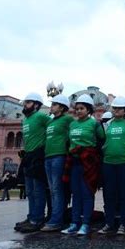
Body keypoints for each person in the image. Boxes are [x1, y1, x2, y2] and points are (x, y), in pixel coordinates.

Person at [61, 94, 105, 235]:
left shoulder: (94, 124)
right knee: (76, 194)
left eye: (82, 108)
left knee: (87, 193)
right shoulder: (72, 124)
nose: (78, 111)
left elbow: (102, 139)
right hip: (74, 162)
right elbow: (69, 141)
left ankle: (86, 223)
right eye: (77, 108)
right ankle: (74, 223)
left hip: (88, 163)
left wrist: (91, 153)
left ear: (89, 110)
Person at [14, 92, 51, 234]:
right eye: (25, 103)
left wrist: (46, 145)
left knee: (38, 190)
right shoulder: (26, 120)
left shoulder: (41, 116)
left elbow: (54, 129)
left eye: (28, 103)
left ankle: (38, 219)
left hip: (38, 155)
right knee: (29, 190)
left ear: (36, 105)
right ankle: (31, 217)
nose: (25, 105)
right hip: (28, 156)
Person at [98, 97, 125, 236]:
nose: (116, 110)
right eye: (114, 108)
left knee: (124, 195)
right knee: (109, 195)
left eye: (119, 108)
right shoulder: (107, 125)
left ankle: (123, 224)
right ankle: (109, 223)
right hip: (108, 163)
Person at [40, 94, 74, 232]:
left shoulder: (67, 119)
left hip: (59, 156)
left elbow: (75, 132)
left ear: (61, 107)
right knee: (52, 190)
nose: (51, 107)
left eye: (54, 104)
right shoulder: (51, 122)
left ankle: (56, 220)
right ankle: (54, 217)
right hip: (48, 157)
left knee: (57, 189)